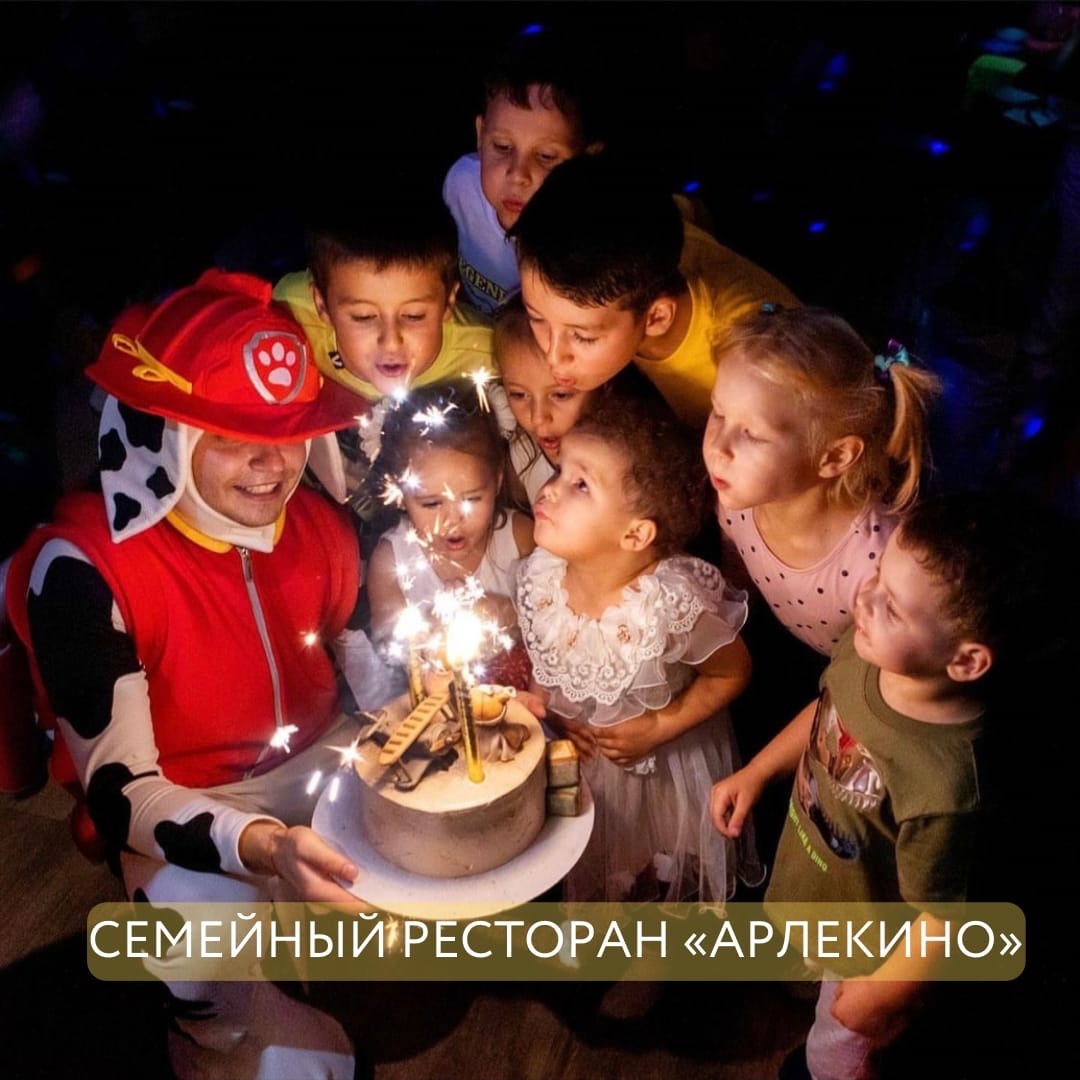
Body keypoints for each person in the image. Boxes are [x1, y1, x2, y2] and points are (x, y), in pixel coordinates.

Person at [3, 269, 394, 1080]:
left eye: (286, 431)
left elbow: (368, 671)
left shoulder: (319, 524)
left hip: (321, 763)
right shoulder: (84, 571)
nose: (271, 466)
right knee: (194, 941)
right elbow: (124, 797)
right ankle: (212, 1033)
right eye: (228, 434)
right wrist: (263, 846)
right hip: (184, 802)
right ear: (165, 433)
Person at [709, 490, 1055, 1080]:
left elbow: (941, 919)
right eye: (876, 577)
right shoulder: (869, 653)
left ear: (967, 661)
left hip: (870, 954)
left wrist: (880, 994)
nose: (863, 601)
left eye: (892, 607)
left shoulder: (944, 787)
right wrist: (759, 770)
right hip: (818, 892)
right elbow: (829, 712)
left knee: (832, 1059)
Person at [514, 394, 762, 903]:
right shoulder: (542, 578)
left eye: (581, 485)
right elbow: (549, 659)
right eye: (560, 472)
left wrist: (658, 728)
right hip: (587, 768)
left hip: (660, 774)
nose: (551, 489)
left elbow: (732, 673)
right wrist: (548, 714)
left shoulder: (667, 606)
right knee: (603, 878)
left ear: (635, 534)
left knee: (657, 877)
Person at [702, 305, 942, 658]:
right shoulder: (737, 493)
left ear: (835, 457)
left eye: (752, 434)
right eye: (719, 413)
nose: (717, 447)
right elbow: (735, 574)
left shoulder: (876, 565)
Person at [510, 151, 800, 429]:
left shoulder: (756, 359)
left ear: (656, 317)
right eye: (537, 318)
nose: (553, 356)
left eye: (583, 337)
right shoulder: (636, 237)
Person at [365, 381, 535, 690]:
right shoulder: (392, 561)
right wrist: (429, 630)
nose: (452, 519)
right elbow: (390, 646)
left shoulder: (521, 538)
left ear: (497, 481)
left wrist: (508, 614)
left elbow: (559, 623)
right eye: (431, 503)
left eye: (471, 499)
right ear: (400, 493)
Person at [443, 27, 603, 319]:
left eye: (546, 157)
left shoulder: (589, 244)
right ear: (480, 134)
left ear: (587, 160)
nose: (518, 175)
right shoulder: (460, 186)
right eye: (502, 147)